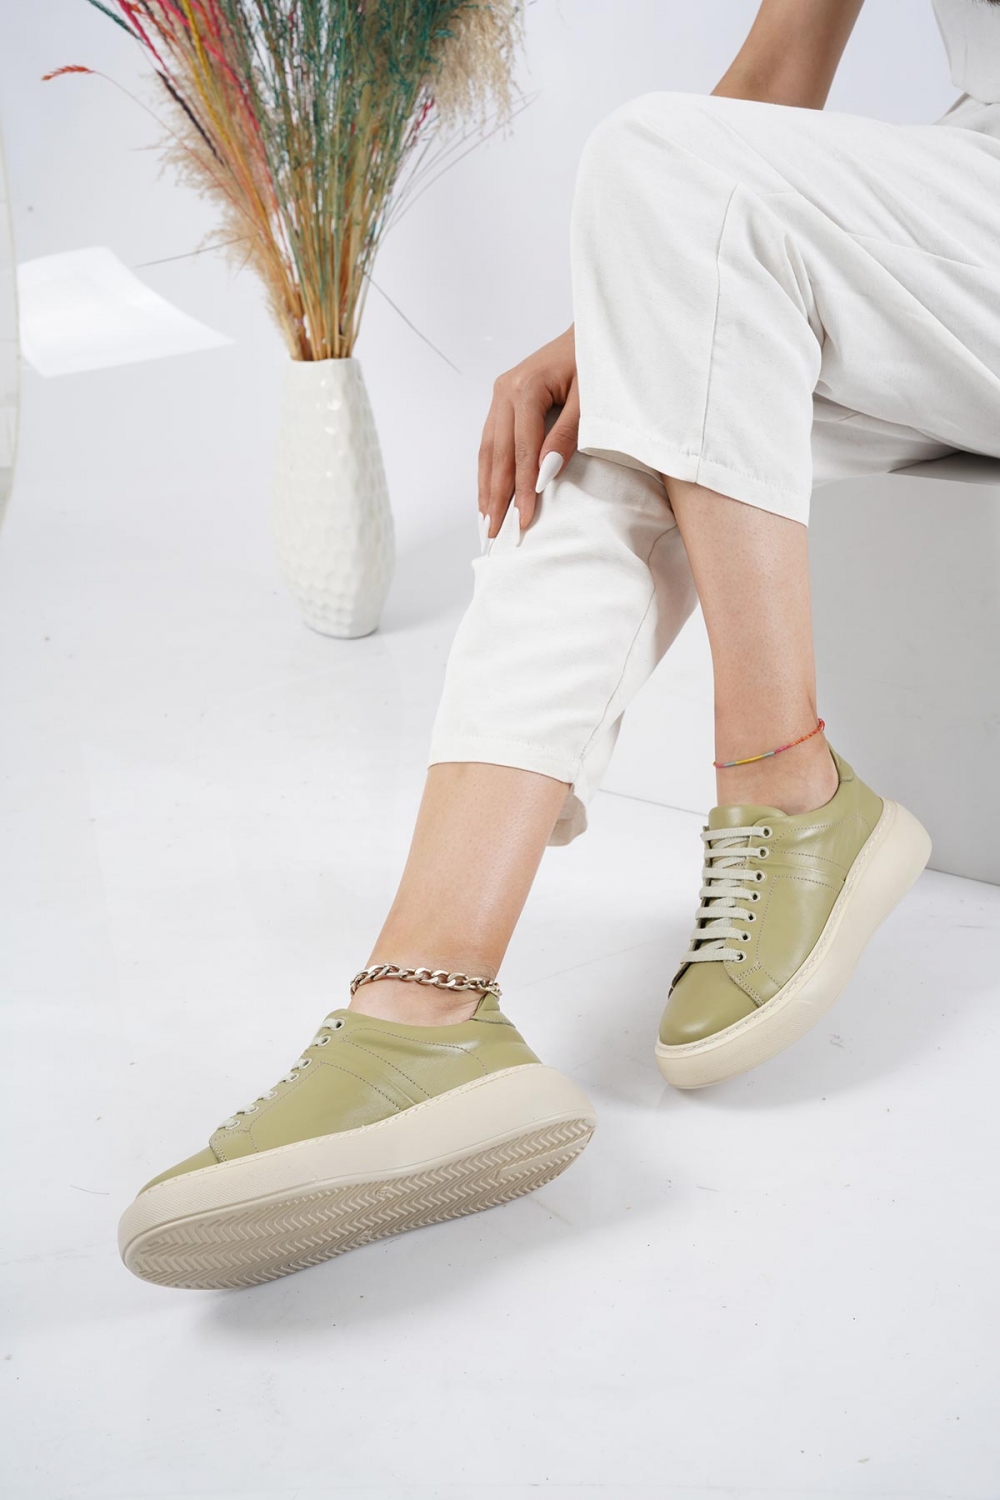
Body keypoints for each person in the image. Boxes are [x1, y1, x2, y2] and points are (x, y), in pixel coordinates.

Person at [118, 0, 1000, 1289]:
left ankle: (787, 780)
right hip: (954, 218)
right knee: (614, 425)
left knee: (655, 169)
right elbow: (781, 63)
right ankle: (423, 1009)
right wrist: (636, 308)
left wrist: (666, 250)